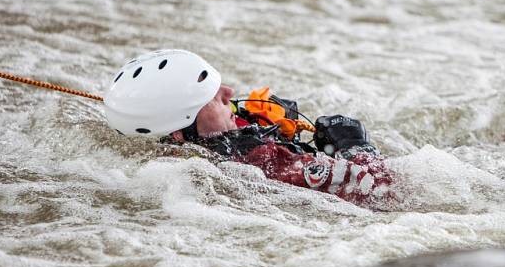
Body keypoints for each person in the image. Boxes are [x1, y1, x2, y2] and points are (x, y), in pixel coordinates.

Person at [103, 49, 393, 204]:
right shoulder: (258, 161)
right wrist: (354, 144)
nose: (229, 93)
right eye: (214, 99)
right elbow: (382, 189)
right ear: (180, 132)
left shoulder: (177, 149)